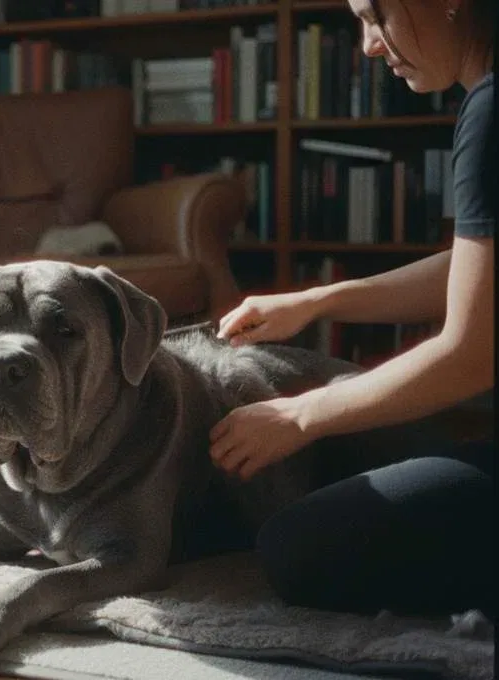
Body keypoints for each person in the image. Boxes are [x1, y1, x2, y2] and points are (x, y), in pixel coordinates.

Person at [208, 0, 495, 618]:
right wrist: (320, 300)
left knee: (295, 550)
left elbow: (471, 356)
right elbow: (479, 271)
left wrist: (298, 416)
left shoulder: (491, 113)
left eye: (376, 15)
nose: (368, 45)